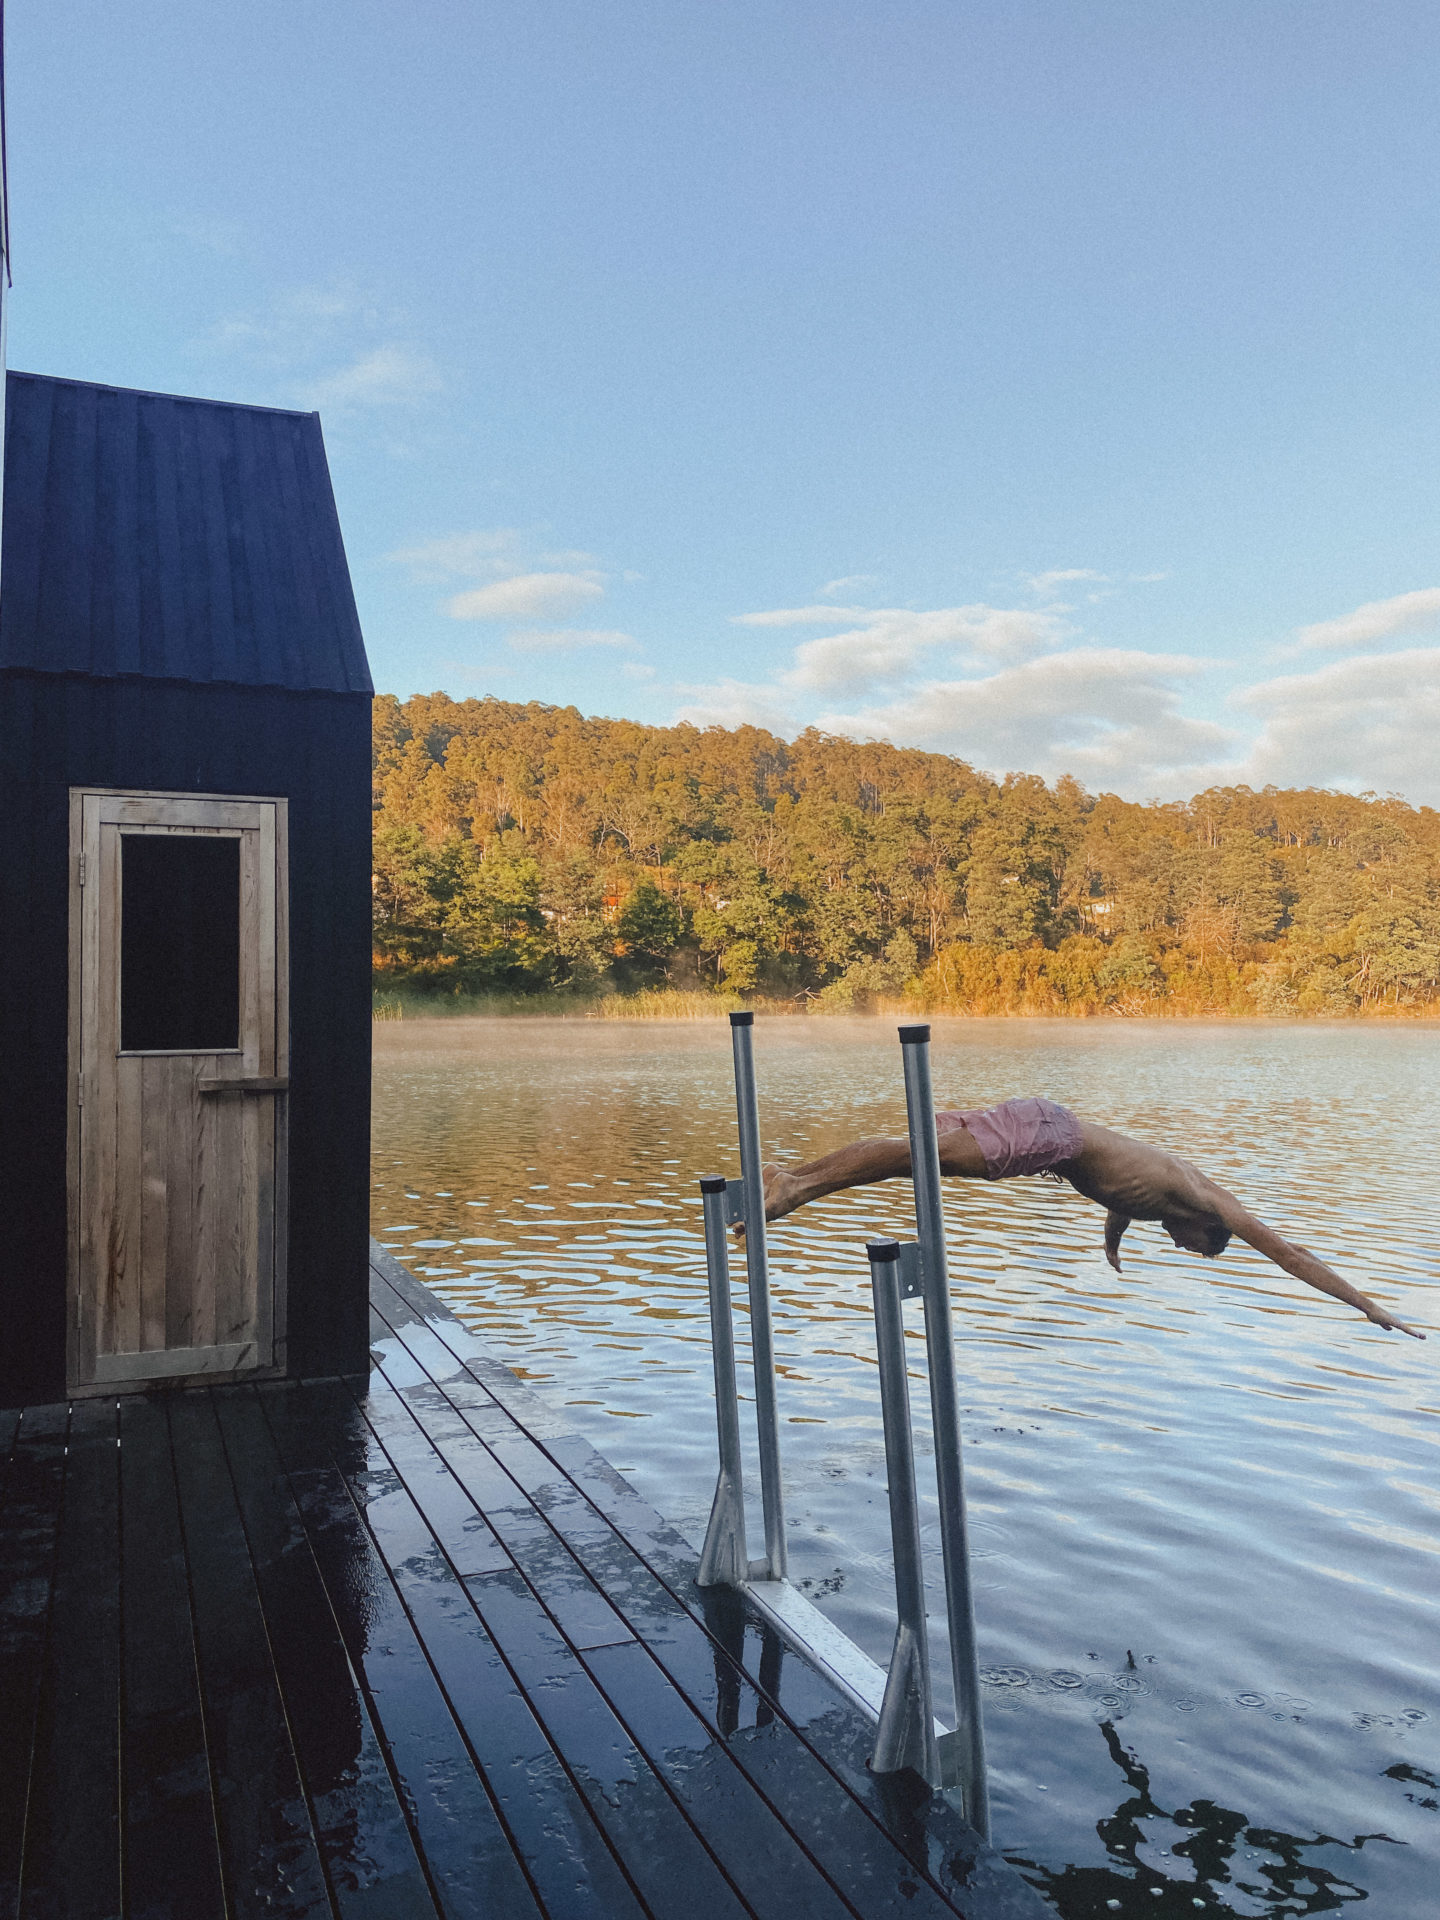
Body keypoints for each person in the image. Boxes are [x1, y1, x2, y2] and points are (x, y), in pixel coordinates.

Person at [753, 1095, 1423, 1339]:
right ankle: (797, 1186)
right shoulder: (1217, 1206)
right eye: (1198, 1249)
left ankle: (797, 1180)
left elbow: (1121, 1199)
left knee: (911, 1153)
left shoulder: (1163, 1198)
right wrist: (1365, 1305)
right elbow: (1292, 1255)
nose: (1187, 1249)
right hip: (1053, 1137)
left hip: (1050, 1127)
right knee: (909, 1157)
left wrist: (1112, 1246)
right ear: (1210, 1231)